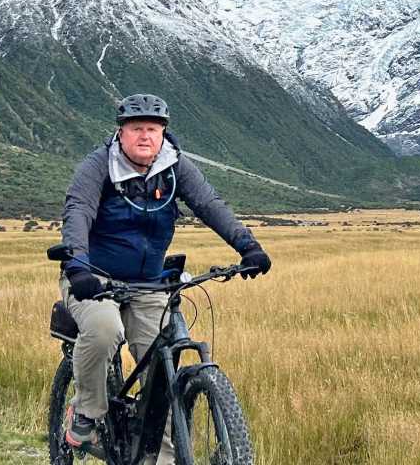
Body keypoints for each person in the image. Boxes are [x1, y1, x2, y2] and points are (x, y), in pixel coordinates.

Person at [58, 93, 272, 456]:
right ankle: (86, 414)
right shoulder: (98, 166)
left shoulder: (175, 166)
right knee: (105, 329)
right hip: (94, 279)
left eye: (153, 129)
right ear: (121, 132)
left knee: (163, 367)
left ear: (163, 133)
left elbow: (209, 204)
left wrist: (247, 246)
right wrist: (77, 265)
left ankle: (162, 456)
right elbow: (78, 210)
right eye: (136, 128)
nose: (145, 136)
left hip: (149, 283)